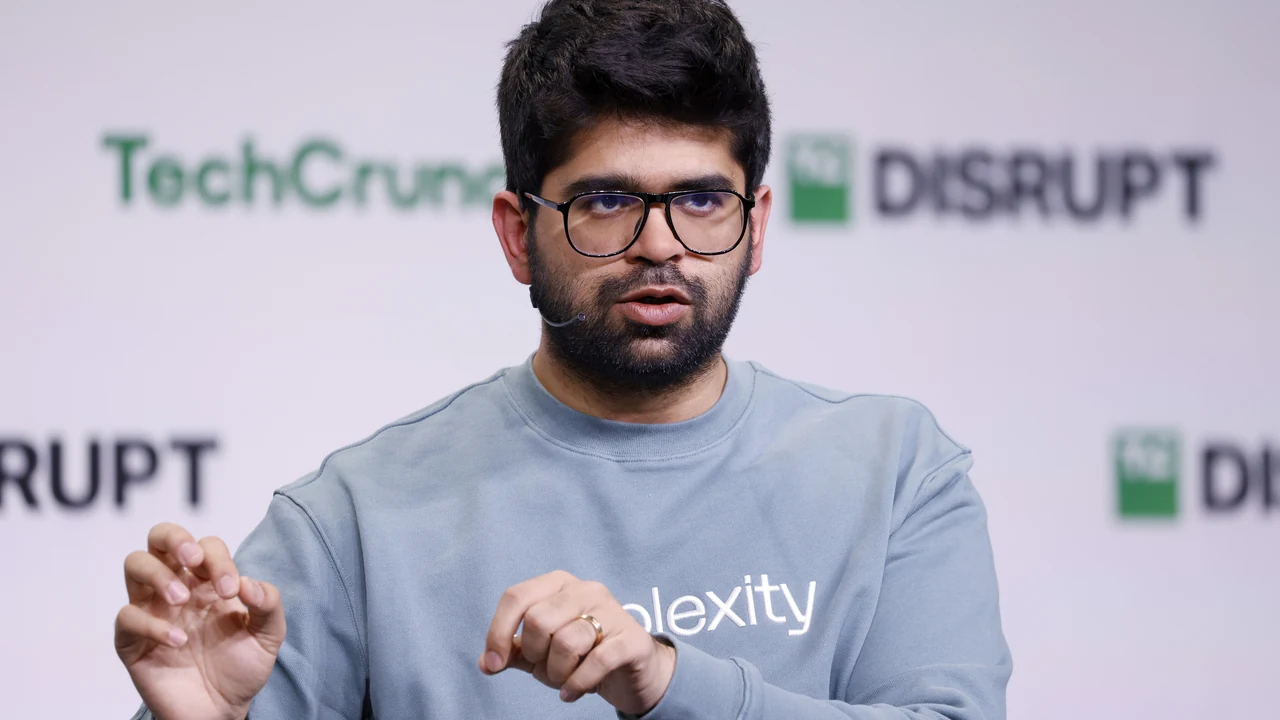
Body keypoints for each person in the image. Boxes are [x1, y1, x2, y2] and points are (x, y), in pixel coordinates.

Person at [116, 1, 1012, 718]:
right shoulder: (357, 517)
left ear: (758, 225)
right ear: (518, 234)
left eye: (702, 200)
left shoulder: (895, 471)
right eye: (609, 200)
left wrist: (667, 683)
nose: (660, 246)